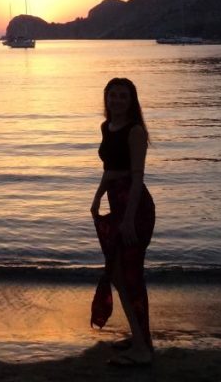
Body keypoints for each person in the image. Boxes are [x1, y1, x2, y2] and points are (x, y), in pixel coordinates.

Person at [89, 77, 156, 367]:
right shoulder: (107, 127)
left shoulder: (136, 131)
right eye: (113, 95)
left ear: (132, 101)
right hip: (117, 205)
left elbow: (136, 177)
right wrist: (97, 198)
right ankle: (141, 339)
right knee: (119, 274)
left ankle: (142, 350)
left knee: (129, 277)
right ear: (106, 98)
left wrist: (128, 220)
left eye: (123, 96)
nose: (117, 100)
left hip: (136, 208)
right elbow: (111, 169)